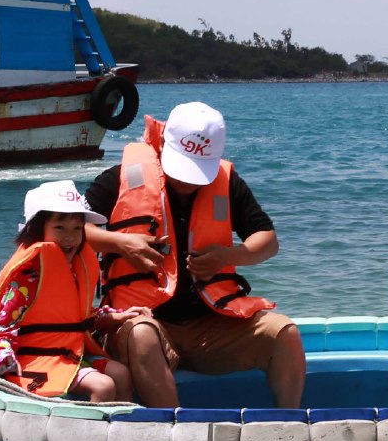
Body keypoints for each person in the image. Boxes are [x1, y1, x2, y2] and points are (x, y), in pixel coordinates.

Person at [84, 101, 304, 409]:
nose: (188, 181)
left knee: (285, 333)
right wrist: (120, 244)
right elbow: (72, 232)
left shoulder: (228, 184)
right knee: (143, 335)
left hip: (209, 326)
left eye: (198, 172)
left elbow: (268, 241)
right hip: (142, 322)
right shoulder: (119, 178)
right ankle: (176, 432)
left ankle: (287, 427)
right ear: (163, 145)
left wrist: (231, 254)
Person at [0, 180, 140, 403]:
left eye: (77, 228)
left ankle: (121, 429)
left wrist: (112, 316)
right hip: (33, 358)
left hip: (67, 352)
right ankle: (92, 436)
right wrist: (3, 356)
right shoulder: (27, 276)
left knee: (120, 373)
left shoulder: (75, 269)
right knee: (103, 386)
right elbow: (5, 325)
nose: (70, 237)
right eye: (60, 228)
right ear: (37, 229)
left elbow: (77, 317)